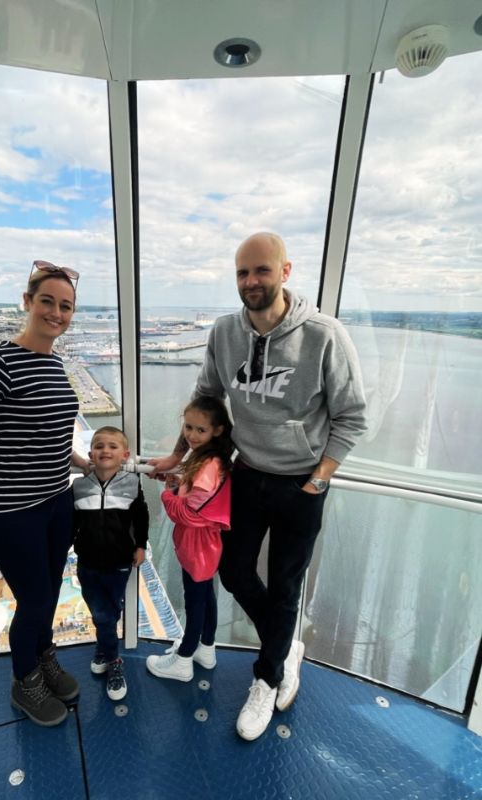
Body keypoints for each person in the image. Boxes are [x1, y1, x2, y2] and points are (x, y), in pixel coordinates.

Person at [151, 232, 367, 741]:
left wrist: (319, 478)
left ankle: (268, 678)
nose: (251, 282)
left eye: (261, 271)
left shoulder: (324, 335)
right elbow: (205, 398)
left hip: (301, 485)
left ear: (285, 271)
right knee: (233, 570)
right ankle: (284, 640)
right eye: (243, 273)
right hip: (246, 475)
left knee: (288, 584)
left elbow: (351, 417)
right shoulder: (225, 333)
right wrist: (179, 458)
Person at [0, 260, 89, 728]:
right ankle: (23, 681)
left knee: (49, 592)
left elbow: (49, 434)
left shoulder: (54, 363)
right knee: (33, 599)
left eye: (65, 306)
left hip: (56, 500)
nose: (56, 312)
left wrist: (82, 463)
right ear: (28, 302)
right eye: (47, 301)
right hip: (12, 510)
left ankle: (43, 655)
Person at [146, 396, 233, 682]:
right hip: (202, 544)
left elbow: (188, 513)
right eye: (188, 428)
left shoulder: (208, 466)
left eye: (200, 430)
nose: (191, 436)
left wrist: (167, 495)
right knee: (205, 596)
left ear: (217, 431)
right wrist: (174, 482)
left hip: (198, 545)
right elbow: (193, 495)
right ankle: (206, 649)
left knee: (194, 601)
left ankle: (183, 659)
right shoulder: (208, 458)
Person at [72, 426, 149, 701]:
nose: (105, 450)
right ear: (90, 453)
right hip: (88, 563)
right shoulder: (79, 486)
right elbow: (72, 524)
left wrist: (141, 544)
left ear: (124, 454)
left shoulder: (131, 483)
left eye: (113, 446)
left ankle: (111, 657)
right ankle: (107, 649)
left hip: (118, 562)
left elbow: (141, 517)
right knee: (100, 613)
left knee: (109, 613)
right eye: (99, 445)